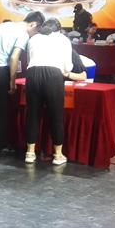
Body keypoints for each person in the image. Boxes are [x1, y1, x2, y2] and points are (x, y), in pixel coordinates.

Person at [0, 11, 45, 154]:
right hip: (1, 71)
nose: (36, 33)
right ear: (33, 24)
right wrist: (12, 82)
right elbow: (14, 58)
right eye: (37, 30)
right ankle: (2, 145)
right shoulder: (23, 34)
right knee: (2, 109)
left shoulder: (5, 25)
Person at [24, 18, 73, 169]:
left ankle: (30, 153)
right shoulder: (63, 39)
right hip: (53, 75)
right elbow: (68, 67)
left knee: (32, 114)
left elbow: (29, 61)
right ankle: (58, 155)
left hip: (32, 74)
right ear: (59, 29)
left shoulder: (33, 38)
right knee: (56, 115)